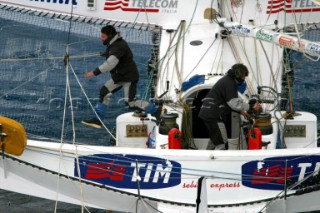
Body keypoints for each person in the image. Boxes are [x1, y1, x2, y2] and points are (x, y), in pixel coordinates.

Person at [82, 25, 139, 128]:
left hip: (128, 78)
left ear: (110, 36)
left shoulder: (118, 46)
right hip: (119, 77)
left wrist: (93, 73)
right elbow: (115, 54)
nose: (101, 38)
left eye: (103, 36)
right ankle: (98, 120)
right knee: (104, 92)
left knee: (130, 103)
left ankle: (154, 110)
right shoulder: (113, 44)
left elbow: (110, 64)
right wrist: (107, 53)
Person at [198, 63, 261, 150]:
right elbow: (234, 103)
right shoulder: (230, 83)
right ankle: (218, 163)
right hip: (213, 116)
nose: (244, 79)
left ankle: (205, 160)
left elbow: (227, 102)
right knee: (222, 143)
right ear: (238, 75)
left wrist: (241, 112)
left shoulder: (227, 80)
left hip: (208, 114)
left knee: (215, 140)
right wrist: (251, 107)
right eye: (243, 76)